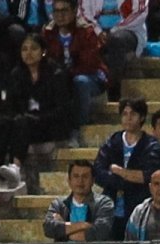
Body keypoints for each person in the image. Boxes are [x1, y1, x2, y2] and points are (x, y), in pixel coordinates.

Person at [0, 33, 73, 188]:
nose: (28, 53)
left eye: (33, 48)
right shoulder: (17, 74)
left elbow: (62, 109)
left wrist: (37, 118)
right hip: (25, 123)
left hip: (50, 124)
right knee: (5, 121)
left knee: (23, 121)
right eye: (24, 49)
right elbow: (11, 105)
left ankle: (16, 166)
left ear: (43, 51)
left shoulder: (55, 73)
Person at [93, 97, 160, 241]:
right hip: (111, 209)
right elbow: (99, 172)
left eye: (133, 114)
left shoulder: (152, 145)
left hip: (139, 208)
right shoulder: (113, 141)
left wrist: (118, 171)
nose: (128, 118)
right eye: (125, 114)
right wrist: (127, 180)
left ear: (142, 117)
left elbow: (148, 176)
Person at [43, 0, 107, 143]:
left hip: (91, 77)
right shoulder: (48, 32)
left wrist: (66, 74)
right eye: (56, 11)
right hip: (62, 78)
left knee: (80, 81)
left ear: (74, 11)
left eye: (64, 10)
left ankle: (78, 128)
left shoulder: (86, 30)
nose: (60, 15)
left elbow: (89, 64)